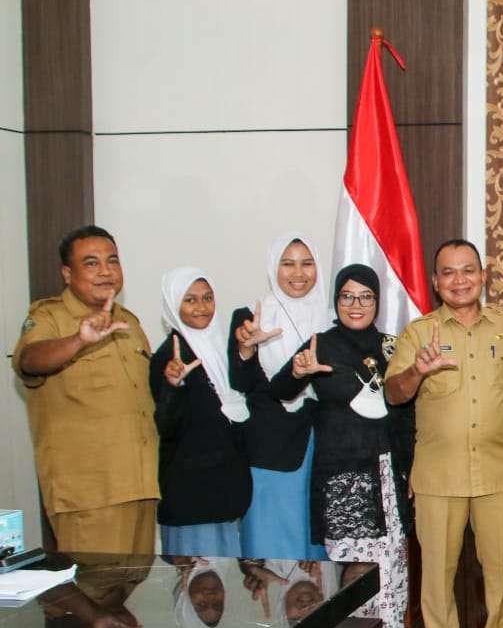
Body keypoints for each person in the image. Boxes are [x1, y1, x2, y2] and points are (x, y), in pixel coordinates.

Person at [387, 239, 503, 628]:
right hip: (438, 473)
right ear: (435, 282)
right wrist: (418, 372)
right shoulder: (418, 332)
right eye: (448, 272)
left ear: (483, 276)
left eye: (468, 270)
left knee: (501, 566)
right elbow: (394, 394)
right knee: (437, 569)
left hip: (500, 470)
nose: (459, 280)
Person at [269, 263, 414, 628]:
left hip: (390, 471)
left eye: (365, 296)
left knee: (391, 569)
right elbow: (280, 390)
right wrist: (297, 372)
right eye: (347, 296)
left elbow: (405, 413)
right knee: (354, 573)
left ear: (377, 301)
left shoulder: (392, 345)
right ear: (336, 301)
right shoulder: (322, 344)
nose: (356, 304)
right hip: (345, 476)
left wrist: (412, 469)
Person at [12, 226, 159, 554]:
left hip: (140, 485)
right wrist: (79, 340)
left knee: (135, 596)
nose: (106, 271)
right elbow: (29, 360)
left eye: (113, 261)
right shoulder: (49, 316)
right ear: (68, 273)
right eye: (91, 263)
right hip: (89, 495)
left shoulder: (129, 322)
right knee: (93, 596)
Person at [229, 235, 334, 560]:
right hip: (271, 451)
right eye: (287, 263)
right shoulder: (250, 317)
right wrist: (247, 348)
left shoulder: (332, 319)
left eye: (307, 263)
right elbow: (242, 382)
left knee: (315, 550)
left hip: (323, 448)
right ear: (274, 267)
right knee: (271, 550)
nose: (298, 272)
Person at [150, 268, 252, 557]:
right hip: (191, 495)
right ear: (173, 304)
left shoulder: (223, 347)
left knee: (229, 592)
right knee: (197, 593)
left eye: (207, 298)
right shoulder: (169, 356)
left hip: (228, 489)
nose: (202, 307)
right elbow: (167, 427)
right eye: (190, 300)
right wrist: (174, 385)